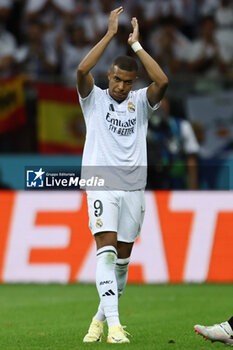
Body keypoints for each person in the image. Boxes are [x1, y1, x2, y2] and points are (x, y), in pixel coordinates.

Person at [77, 6, 168, 344]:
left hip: (133, 187)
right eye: (115, 79)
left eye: (127, 82)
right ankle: (116, 327)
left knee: (122, 265)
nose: (119, 86)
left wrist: (137, 47)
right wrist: (109, 35)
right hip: (100, 182)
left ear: (133, 83)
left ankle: (99, 321)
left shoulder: (141, 101)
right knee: (107, 251)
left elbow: (163, 81)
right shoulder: (93, 99)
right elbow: (82, 68)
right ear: (109, 76)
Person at [147, 97, 199, 190]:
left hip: (176, 180)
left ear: (168, 107)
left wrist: (193, 185)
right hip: (151, 180)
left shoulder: (182, 126)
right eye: (156, 109)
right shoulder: (144, 128)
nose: (159, 113)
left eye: (162, 108)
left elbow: (191, 158)